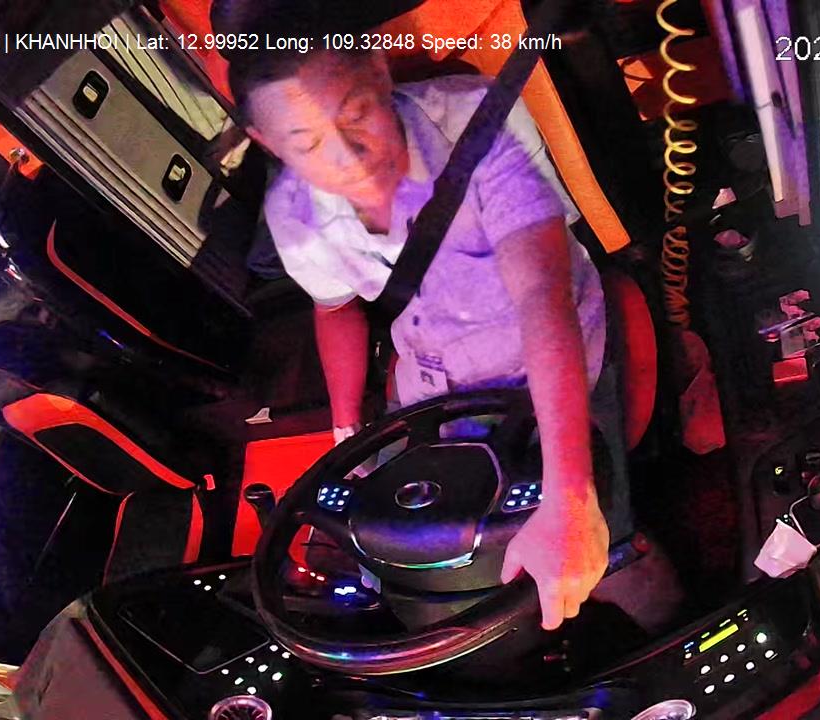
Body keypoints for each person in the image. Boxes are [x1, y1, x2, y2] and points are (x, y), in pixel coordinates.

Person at [230, 37, 617, 631]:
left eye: (356, 115)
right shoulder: (292, 214)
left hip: (552, 357)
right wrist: (347, 435)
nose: (349, 160)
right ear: (265, 142)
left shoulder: (478, 121)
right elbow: (335, 308)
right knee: (391, 562)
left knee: (614, 561)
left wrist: (571, 500)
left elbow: (542, 295)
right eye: (306, 144)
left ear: (379, 70)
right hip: (429, 390)